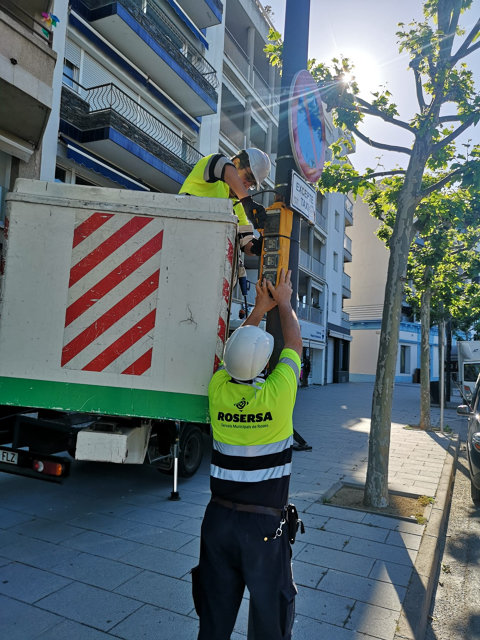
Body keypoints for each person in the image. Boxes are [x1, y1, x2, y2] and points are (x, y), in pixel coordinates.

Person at [192, 269, 303, 640]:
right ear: (263, 367)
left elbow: (232, 355)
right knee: (270, 622)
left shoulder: (217, 389)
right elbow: (294, 348)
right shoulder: (278, 396)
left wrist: (258, 309)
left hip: (218, 521)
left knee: (214, 619)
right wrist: (284, 304)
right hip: (263, 530)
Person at [179, 148, 270, 256]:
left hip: (209, 259)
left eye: (252, 184)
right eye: (248, 177)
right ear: (236, 162)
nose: (247, 185)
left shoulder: (238, 206)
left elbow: (246, 243)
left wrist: (257, 247)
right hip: (182, 241)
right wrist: (247, 201)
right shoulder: (209, 169)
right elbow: (221, 163)